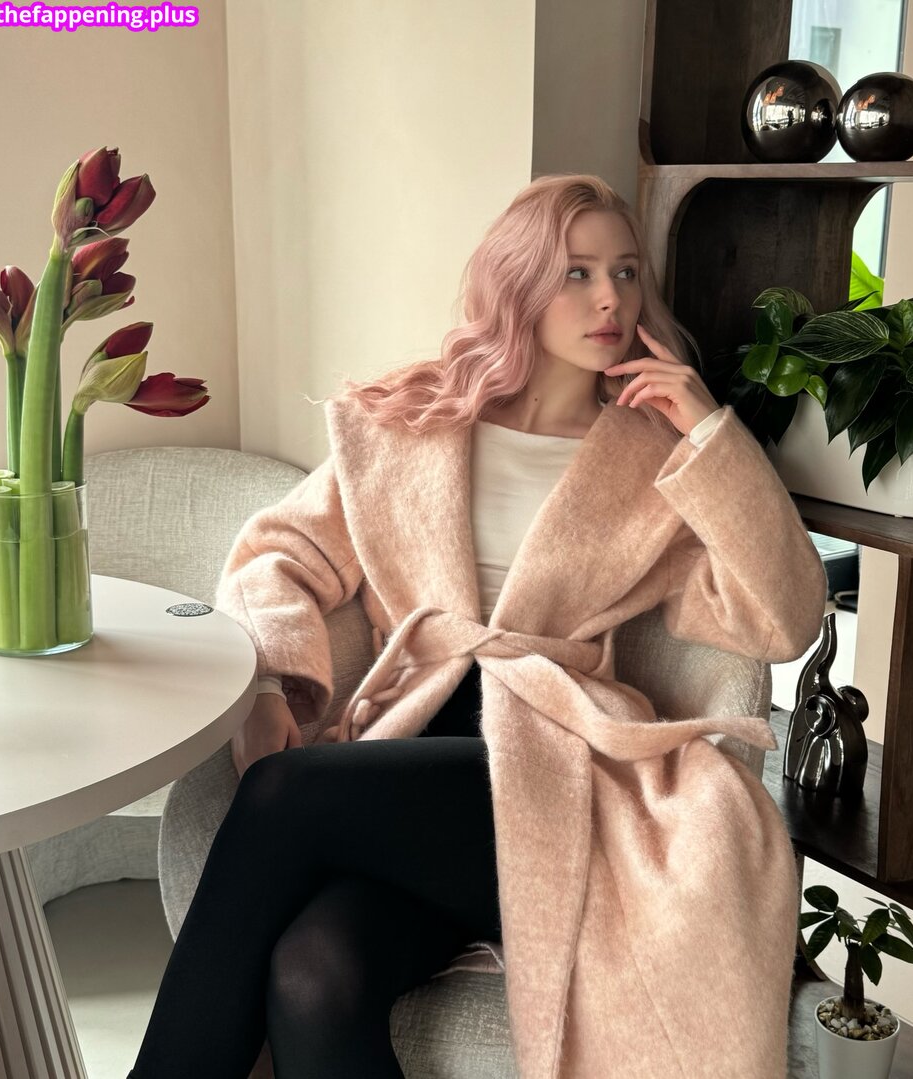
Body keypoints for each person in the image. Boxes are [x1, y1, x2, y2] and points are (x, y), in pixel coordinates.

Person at [129, 174, 827, 1079]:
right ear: (520, 282)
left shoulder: (656, 459)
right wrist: (272, 681)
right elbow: (276, 555)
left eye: (625, 271)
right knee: (315, 973)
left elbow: (784, 615)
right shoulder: (410, 423)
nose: (610, 298)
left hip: (556, 764)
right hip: (413, 759)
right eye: (577, 272)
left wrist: (707, 432)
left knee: (281, 793)